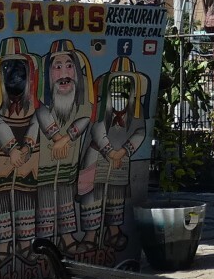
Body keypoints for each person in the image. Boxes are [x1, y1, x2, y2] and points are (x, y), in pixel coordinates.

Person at [32, 39, 96, 249]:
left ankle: (67, 240)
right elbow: (42, 115)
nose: (64, 74)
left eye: (69, 66)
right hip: (44, 166)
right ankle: (45, 244)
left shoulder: (82, 100)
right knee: (46, 205)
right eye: (57, 67)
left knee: (66, 202)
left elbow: (86, 117)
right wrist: (57, 138)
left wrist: (66, 138)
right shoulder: (42, 102)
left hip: (69, 164)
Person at [0, 37, 40, 271]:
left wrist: (26, 147)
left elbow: (36, 122)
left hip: (26, 159)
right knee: (0, 202)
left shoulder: (33, 103)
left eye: (20, 69)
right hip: (0, 158)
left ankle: (26, 244)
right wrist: (11, 147)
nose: (15, 76)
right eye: (8, 69)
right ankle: (3, 246)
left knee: (26, 198)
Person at [82, 50, 149, 248]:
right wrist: (110, 151)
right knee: (91, 196)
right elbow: (97, 128)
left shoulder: (136, 110)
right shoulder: (102, 107)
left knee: (116, 196)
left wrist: (123, 151)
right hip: (97, 156)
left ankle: (113, 231)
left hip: (121, 159)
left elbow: (140, 132)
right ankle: (90, 235)